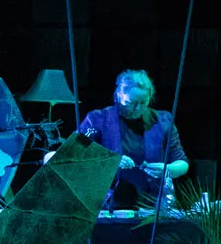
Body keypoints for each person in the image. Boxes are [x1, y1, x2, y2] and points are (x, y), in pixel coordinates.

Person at [77, 69, 188, 209]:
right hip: (108, 203)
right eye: (131, 102)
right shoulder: (97, 119)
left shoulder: (163, 121)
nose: (137, 108)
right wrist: (109, 160)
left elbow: (182, 163)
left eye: (143, 102)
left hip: (152, 204)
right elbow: (76, 154)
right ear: (118, 95)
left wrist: (168, 169)